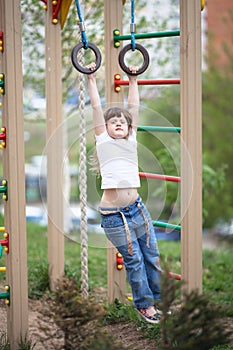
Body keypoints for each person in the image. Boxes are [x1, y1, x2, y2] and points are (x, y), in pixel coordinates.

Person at [87, 62, 162, 324]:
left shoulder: (131, 139)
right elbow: (97, 108)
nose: (119, 122)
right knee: (135, 261)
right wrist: (92, 79)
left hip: (137, 208)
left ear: (129, 128)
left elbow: (134, 108)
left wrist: (132, 79)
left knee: (152, 255)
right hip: (114, 215)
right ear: (105, 128)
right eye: (113, 121)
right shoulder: (103, 141)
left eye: (122, 121)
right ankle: (144, 306)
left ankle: (160, 301)